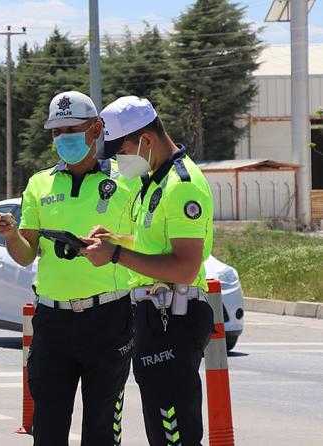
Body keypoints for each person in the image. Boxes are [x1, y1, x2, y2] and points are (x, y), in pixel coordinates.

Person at [0, 91, 137, 446]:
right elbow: (27, 254)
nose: (64, 138)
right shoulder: (39, 184)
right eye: (57, 132)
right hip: (53, 321)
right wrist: (11, 235)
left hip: (109, 316)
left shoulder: (131, 175)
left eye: (72, 129)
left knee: (101, 429)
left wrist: (114, 241)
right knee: (48, 428)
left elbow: (151, 235)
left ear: (96, 129)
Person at [82, 96, 214, 446]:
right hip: (154, 316)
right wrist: (113, 241)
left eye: (119, 152)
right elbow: (153, 245)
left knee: (175, 434)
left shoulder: (181, 184)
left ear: (146, 140)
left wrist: (116, 255)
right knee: (161, 428)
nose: (117, 162)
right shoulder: (153, 182)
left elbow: (185, 267)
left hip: (176, 316)